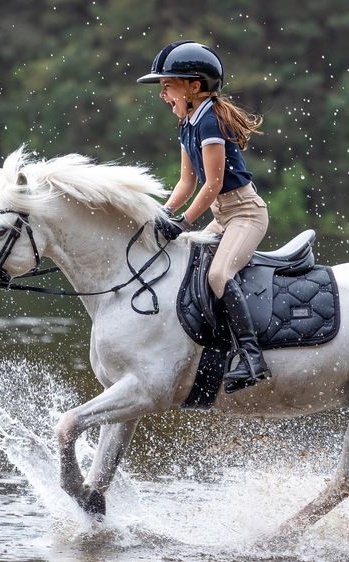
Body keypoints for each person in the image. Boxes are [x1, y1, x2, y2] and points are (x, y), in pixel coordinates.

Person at [137, 40, 271, 393]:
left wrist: (182, 223)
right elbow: (186, 181)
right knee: (187, 266)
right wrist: (163, 213)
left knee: (218, 274)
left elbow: (211, 185)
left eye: (168, 86)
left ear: (194, 87)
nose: (163, 94)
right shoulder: (187, 123)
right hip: (223, 214)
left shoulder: (209, 121)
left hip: (245, 213)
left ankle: (252, 357)